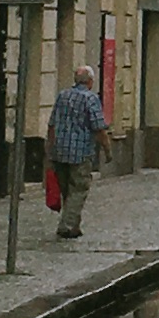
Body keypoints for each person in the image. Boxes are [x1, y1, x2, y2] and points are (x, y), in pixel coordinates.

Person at [47, 64, 105, 238]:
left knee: (67, 191)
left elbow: (52, 124)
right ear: (90, 81)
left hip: (60, 152)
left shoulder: (62, 96)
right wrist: (107, 150)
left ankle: (74, 226)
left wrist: (50, 148)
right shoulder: (91, 99)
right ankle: (67, 225)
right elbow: (98, 128)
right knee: (79, 190)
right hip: (80, 153)